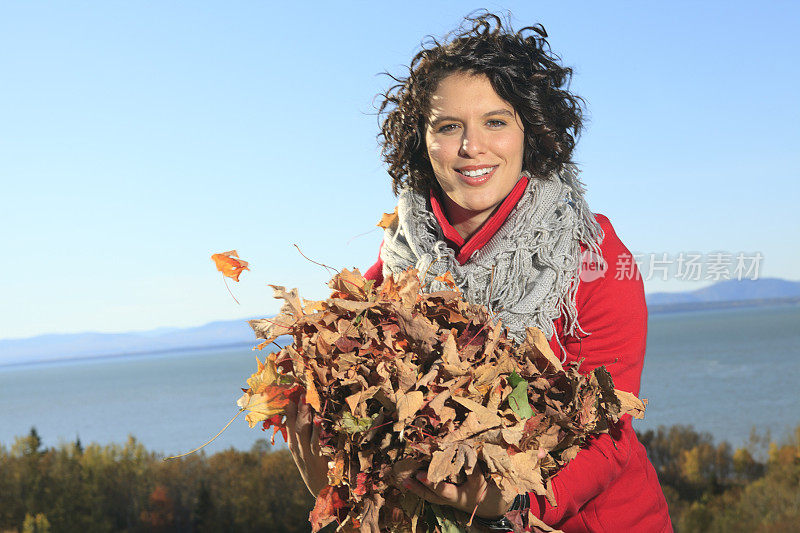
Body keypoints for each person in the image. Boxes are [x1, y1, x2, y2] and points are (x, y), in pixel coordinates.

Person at [285, 12, 673, 532]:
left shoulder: (593, 254)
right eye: (449, 127)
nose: (472, 147)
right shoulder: (397, 265)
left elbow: (609, 434)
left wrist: (513, 502)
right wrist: (336, 473)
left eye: (496, 121)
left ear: (529, 130)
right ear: (422, 141)